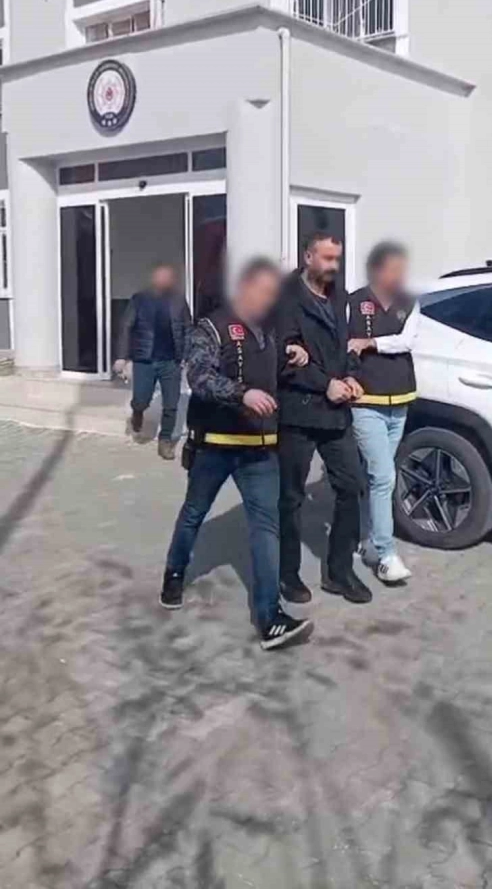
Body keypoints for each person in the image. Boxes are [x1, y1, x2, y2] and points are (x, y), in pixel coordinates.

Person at [160, 257, 313, 651]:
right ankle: (174, 574)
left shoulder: (269, 332)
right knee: (194, 513)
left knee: (266, 528)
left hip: (260, 450)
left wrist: (293, 357)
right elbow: (199, 376)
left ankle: (269, 617)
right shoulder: (210, 328)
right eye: (263, 291)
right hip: (215, 446)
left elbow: (270, 375)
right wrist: (242, 393)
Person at [276, 232, 371, 606]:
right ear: (307, 257)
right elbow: (283, 357)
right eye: (327, 258)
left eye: (337, 259)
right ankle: (287, 574)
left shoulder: (339, 297)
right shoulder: (285, 299)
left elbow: (344, 346)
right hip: (298, 412)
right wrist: (323, 384)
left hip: (335, 412)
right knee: (291, 497)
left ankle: (339, 572)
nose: (334, 266)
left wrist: (350, 376)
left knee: (352, 485)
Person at [348, 241, 420, 583]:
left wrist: (372, 342)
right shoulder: (354, 302)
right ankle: (386, 554)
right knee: (384, 477)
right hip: (367, 402)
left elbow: (407, 341)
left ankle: (366, 540)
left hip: (399, 399)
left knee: (375, 477)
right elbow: (343, 345)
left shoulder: (410, 302)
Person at [114, 264, 193, 460]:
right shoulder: (139, 300)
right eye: (160, 276)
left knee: (171, 404)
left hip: (171, 362)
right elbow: (126, 328)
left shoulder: (178, 301)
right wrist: (121, 357)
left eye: (167, 276)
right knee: (141, 399)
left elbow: (188, 328)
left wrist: (187, 355)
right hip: (145, 360)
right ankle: (137, 412)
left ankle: (165, 441)